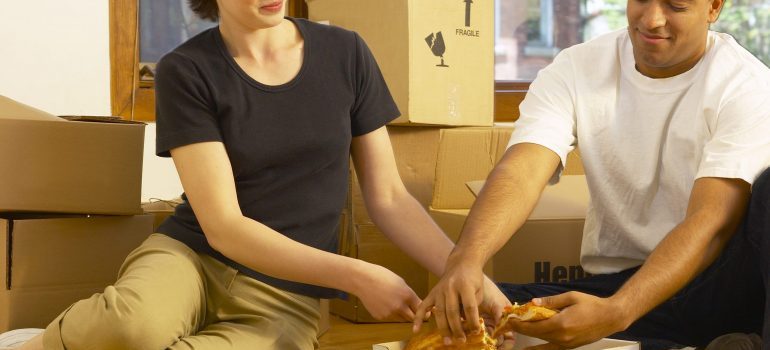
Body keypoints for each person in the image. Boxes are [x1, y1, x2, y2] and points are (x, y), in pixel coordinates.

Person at [16, 1, 511, 349]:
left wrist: (463, 270)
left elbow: (388, 198)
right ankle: (34, 344)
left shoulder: (347, 54)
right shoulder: (185, 70)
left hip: (288, 288)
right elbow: (223, 226)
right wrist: (358, 275)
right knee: (132, 328)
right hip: (192, 256)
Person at [414, 0, 770, 349]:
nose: (652, 19)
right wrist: (465, 259)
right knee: (471, 311)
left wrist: (618, 312)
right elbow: (522, 169)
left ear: (713, 8)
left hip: (717, 286)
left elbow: (712, 221)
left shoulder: (746, 84)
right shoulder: (577, 66)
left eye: (676, 6)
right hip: (616, 284)